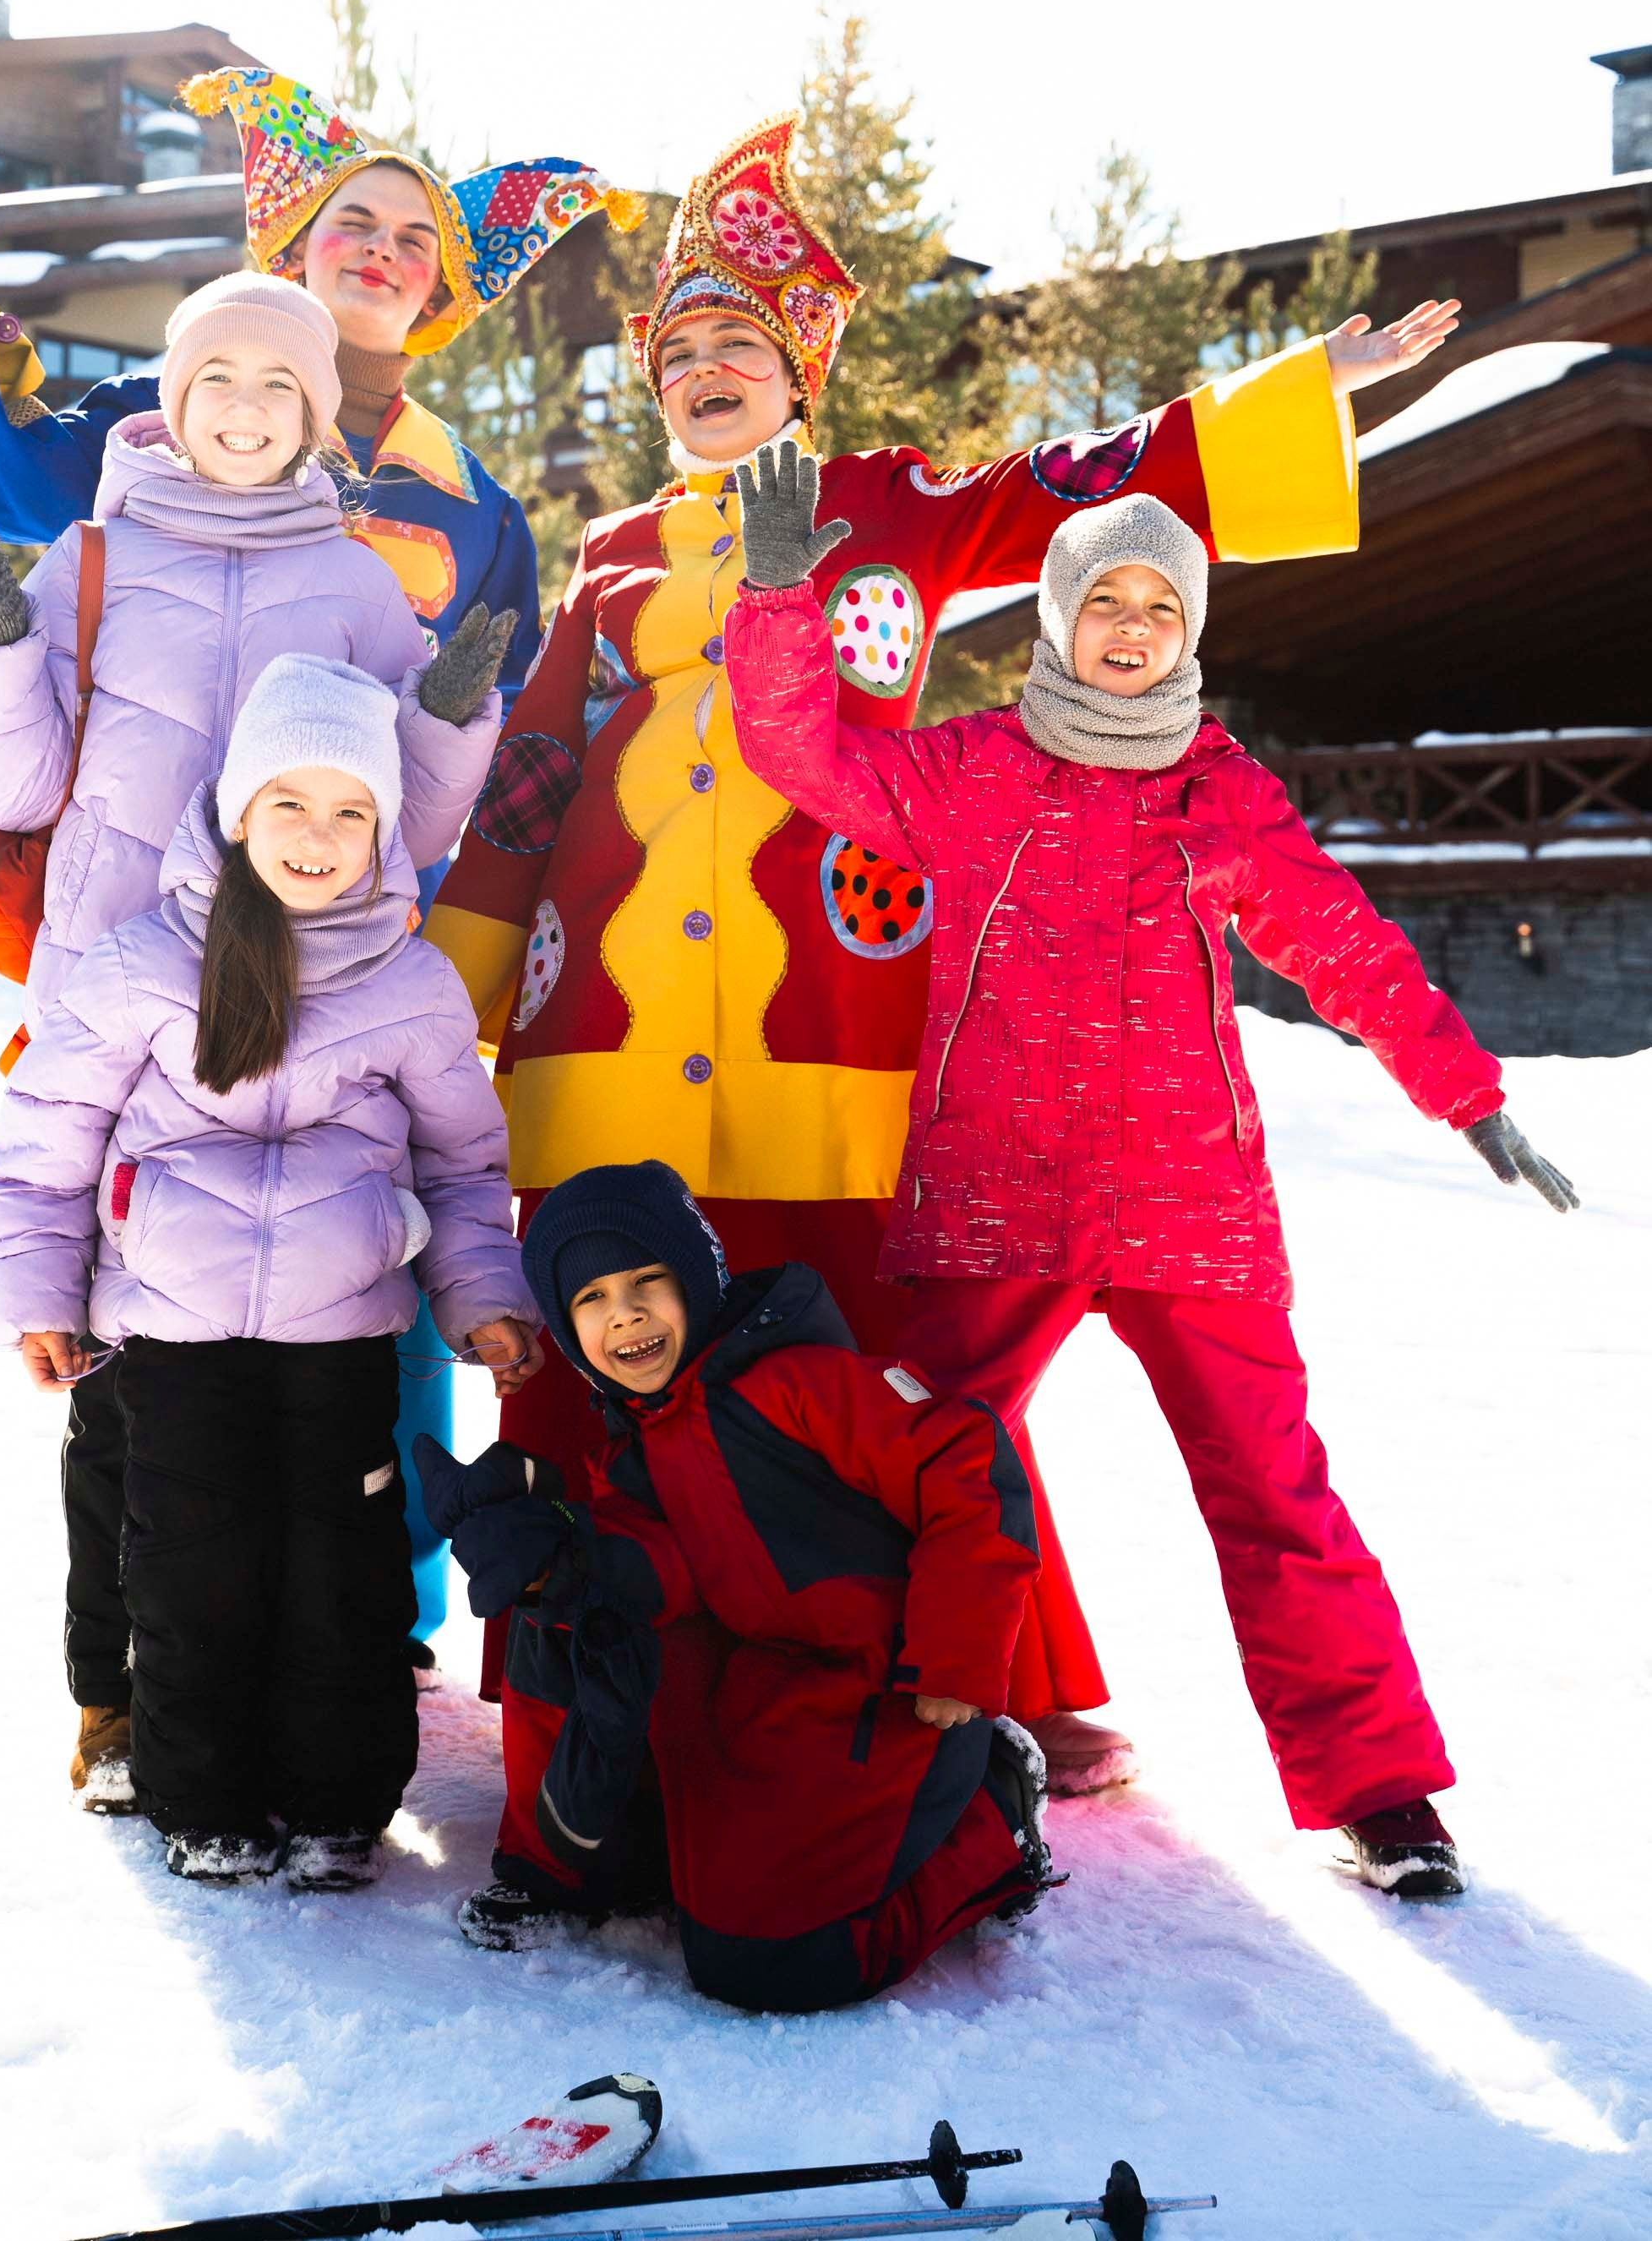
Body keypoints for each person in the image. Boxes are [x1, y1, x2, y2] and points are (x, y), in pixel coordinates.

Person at [423, 110, 1461, 1790]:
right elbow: (534, 772)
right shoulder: (611, 556)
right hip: (603, 1028)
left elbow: (1086, 486)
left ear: (799, 372)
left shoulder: (891, 509)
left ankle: (995, 1675)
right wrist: (444, 989)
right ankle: (591, 1684)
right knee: (596, 1355)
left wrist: (1293, 396)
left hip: (837, 1022)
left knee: (883, 1377)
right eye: (675, 351)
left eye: (736, 346)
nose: (701, 371)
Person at [0, 68, 639, 1660]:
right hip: (135, 958)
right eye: (352, 220)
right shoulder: (149, 434)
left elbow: (467, 771)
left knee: (361, 1268)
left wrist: (467, 886)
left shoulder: (467, 510)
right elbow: (4, 520)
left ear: (445, 290)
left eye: (415, 237)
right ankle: (132, 1664)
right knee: (134, 1322)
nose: (381, 250)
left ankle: (369, 1623)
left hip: (344, 962)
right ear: (286, 249)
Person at [724, 458, 1579, 1899]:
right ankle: (886, 1760)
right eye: (1104, 600)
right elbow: (800, 755)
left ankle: (1380, 1795)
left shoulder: (1220, 790)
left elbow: (1343, 945)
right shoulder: (968, 768)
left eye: (1159, 607)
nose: (1130, 626)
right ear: (1058, 616)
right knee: (919, 1475)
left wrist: (1465, 1094)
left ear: (1188, 631)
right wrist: (770, 598)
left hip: (1190, 1205)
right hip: (996, 1195)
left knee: (1275, 1492)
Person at [0, 265, 510, 1809]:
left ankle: (321, 1662)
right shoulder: (90, 560)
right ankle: (119, 1694)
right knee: (122, 1388)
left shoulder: (360, 584)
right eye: (217, 383)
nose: (245, 412)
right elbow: (3, 787)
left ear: (316, 414)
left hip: (314, 1002)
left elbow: (400, 822)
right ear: (175, 401)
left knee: (304, 1353)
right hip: (123, 986)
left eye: (278, 388)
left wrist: (449, 721)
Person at [0, 655, 540, 1887]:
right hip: (174, 1334)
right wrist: (38, 1298)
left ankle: (337, 1802)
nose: (317, 835)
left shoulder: (411, 982)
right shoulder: (140, 962)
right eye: (289, 802)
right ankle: (206, 1802)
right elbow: (45, 1142)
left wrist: (485, 1297)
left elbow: (461, 1162)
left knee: (342, 1570)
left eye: (350, 810)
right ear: (238, 811)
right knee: (194, 1569)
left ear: (383, 830)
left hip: (340, 1334)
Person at [419, 1160, 1052, 2006]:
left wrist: (955, 1654)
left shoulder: (801, 1382)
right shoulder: (636, 1442)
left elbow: (967, 1462)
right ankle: (581, 1864)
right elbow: (668, 1572)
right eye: (592, 1299)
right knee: (569, 1609)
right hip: (760, 1691)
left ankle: (991, 1822)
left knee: (770, 1963)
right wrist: (556, 1555)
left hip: (880, 1696)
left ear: (698, 1277)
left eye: (646, 1281)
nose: (624, 1313)